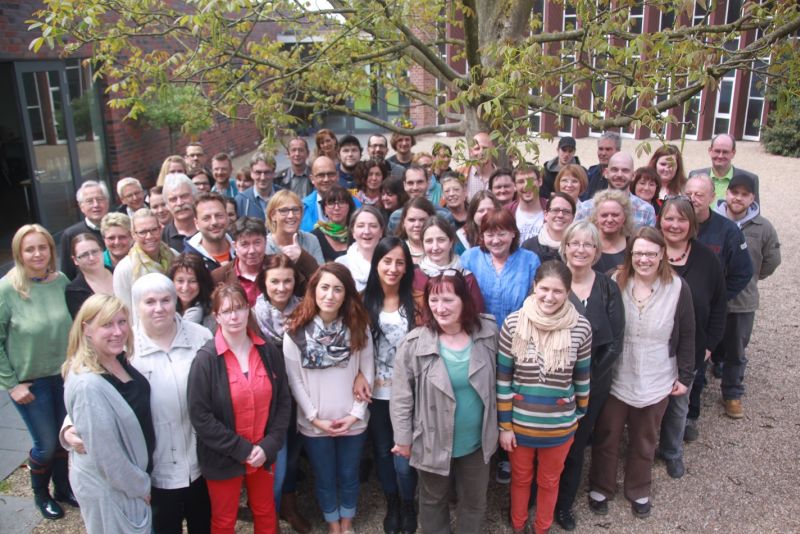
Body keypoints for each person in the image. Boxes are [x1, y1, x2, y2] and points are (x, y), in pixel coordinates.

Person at [589, 227, 695, 519]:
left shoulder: (678, 287)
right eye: (638, 253)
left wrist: (685, 376)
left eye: (651, 253)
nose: (644, 259)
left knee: (645, 439)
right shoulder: (614, 280)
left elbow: (688, 334)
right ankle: (601, 486)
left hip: (657, 375)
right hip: (617, 375)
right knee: (607, 435)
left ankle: (638, 489)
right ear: (630, 254)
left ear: (662, 255)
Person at [391, 270, 499, 534]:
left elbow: (503, 380)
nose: (440, 308)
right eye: (434, 300)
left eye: (448, 300)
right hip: (431, 439)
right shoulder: (413, 344)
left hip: (476, 441)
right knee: (432, 501)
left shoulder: (488, 333)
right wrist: (403, 439)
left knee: (474, 502)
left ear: (464, 300)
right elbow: (401, 397)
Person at [497, 260, 592, 534]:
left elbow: (582, 376)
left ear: (568, 292)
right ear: (534, 286)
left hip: (559, 426)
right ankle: (518, 526)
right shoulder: (513, 323)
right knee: (520, 479)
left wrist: (577, 413)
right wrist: (505, 425)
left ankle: (542, 528)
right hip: (519, 425)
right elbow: (503, 379)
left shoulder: (581, 327)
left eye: (558, 291)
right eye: (544, 289)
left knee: (550, 481)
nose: (550, 297)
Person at [188, 284, 291, 534]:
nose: (234, 317)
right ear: (216, 316)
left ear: (248, 310)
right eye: (226, 311)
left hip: (263, 453)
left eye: (239, 308)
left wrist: (268, 445)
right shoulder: (206, 359)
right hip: (223, 456)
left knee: (265, 510)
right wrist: (242, 449)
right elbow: (200, 416)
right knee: (224, 519)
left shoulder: (267, 351)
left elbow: (283, 401)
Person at [283, 263, 374, 534]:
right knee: (324, 478)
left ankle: (347, 522)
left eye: (338, 289)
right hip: (315, 423)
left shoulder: (358, 326)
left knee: (349, 474)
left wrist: (356, 414)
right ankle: (333, 523)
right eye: (324, 287)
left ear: (346, 294)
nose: (330, 295)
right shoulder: (295, 330)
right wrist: (314, 418)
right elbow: (295, 381)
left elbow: (367, 371)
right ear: (313, 290)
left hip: (352, 420)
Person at [551, 221, 624, 531]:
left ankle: (564, 504)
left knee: (576, 444)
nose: (580, 249)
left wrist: (585, 380)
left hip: (593, 382)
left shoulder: (607, 287)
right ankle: (540, 496)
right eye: (575, 243)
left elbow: (615, 341)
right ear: (565, 246)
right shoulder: (552, 281)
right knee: (547, 443)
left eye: (588, 244)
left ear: (596, 251)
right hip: (551, 382)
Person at [0, 225, 75, 519]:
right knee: (45, 444)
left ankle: (63, 488)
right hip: (31, 384)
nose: (37, 254)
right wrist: (11, 384)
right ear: (19, 253)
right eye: (29, 249)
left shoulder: (61, 281)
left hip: (64, 377)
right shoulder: (7, 289)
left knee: (63, 439)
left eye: (42, 247)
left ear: (51, 250)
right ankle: (41, 495)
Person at [62, 294, 154, 533]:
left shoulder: (116, 358)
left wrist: (69, 426)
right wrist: (140, 487)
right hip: (115, 489)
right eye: (107, 324)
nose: (118, 331)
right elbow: (108, 457)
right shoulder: (88, 384)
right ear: (86, 329)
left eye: (122, 322)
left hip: (129, 481)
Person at [129, 274, 214, 533]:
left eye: (166, 300)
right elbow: (97, 385)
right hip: (157, 465)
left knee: (203, 524)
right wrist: (70, 426)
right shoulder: (126, 347)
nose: (159, 308)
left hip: (200, 460)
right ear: (136, 306)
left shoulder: (201, 336)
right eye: (149, 302)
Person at [655, 197, 726, 479]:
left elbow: (719, 305)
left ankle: (671, 451)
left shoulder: (707, 260)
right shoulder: (648, 252)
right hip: (651, 346)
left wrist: (710, 345)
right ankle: (641, 451)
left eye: (681, 219)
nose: (674, 225)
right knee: (646, 404)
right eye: (669, 218)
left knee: (678, 404)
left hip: (690, 347)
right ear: (660, 220)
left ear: (692, 223)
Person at [684, 174, 753, 438]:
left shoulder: (727, 231)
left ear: (713, 197)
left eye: (699, 194)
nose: (693, 199)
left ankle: (690, 417)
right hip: (674, 309)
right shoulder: (673, 223)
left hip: (705, 313)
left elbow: (742, 271)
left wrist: (718, 299)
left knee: (698, 364)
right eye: (689, 193)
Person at [362, 238, 419, 534]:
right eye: (387, 261)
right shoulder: (363, 301)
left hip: (409, 394)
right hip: (377, 394)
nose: (393, 268)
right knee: (384, 451)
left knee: (404, 456)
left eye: (399, 262)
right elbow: (353, 346)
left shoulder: (418, 301)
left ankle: (409, 502)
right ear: (377, 264)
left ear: (407, 267)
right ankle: (392, 501)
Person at [714, 174, 781, 418]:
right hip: (711, 298)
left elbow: (772, 259)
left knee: (737, 348)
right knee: (705, 344)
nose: (738, 198)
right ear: (726, 194)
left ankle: (732, 392)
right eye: (734, 193)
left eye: (744, 194)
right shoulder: (712, 221)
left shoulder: (763, 228)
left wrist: (751, 278)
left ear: (752, 198)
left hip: (742, 301)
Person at [252, 255, 310, 533]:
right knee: (275, 459)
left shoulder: (306, 310)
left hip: (300, 394)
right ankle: (269, 515)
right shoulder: (253, 316)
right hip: (269, 401)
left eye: (287, 281)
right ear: (264, 283)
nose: (281, 287)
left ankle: (289, 505)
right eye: (274, 281)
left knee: (294, 454)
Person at [461, 208, 541, 329]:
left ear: (513, 233)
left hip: (518, 332)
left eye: (501, 234)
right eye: (490, 235)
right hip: (478, 332)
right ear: (482, 236)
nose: (496, 240)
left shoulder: (530, 260)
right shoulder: (470, 258)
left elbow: (536, 301)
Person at [212, 217, 315, 307]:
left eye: (257, 243)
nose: (252, 251)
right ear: (235, 246)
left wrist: (302, 257)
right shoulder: (219, 277)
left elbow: (315, 284)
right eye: (245, 244)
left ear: (265, 242)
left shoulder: (281, 266)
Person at [414, 216, 485, 316]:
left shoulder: (466, 277)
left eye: (441, 240)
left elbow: (478, 316)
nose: (435, 247)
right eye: (429, 241)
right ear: (422, 244)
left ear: (451, 242)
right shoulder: (414, 277)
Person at [113, 208, 176, 313]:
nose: (149, 236)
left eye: (154, 230)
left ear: (160, 229)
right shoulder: (125, 268)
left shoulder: (174, 256)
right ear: (133, 234)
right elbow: (125, 311)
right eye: (142, 232)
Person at [575, 152, 656, 228]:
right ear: (606, 173)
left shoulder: (646, 211)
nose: (619, 175)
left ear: (633, 176)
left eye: (625, 170)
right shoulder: (586, 208)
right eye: (614, 170)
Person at [689, 133, 760, 204]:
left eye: (725, 152)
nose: (720, 156)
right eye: (717, 151)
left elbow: (755, 209)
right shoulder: (694, 176)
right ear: (710, 151)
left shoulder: (750, 179)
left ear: (733, 153)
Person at [59, 180, 110, 280]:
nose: (96, 205)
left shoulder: (121, 228)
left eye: (100, 199)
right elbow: (68, 273)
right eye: (89, 201)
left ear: (107, 202)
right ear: (81, 206)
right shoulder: (71, 235)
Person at [301, 156, 362, 232]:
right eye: (321, 175)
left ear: (337, 176)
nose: (326, 179)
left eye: (330, 174)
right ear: (312, 179)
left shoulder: (355, 204)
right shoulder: (303, 207)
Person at [266, 190, 325, 265]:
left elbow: (322, 272)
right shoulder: (265, 246)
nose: (291, 215)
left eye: (295, 210)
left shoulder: (311, 240)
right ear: (273, 215)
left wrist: (302, 257)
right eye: (284, 210)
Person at [336, 205, 386, 291]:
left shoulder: (391, 264)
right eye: (361, 226)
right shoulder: (341, 265)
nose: (366, 231)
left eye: (373, 226)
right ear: (353, 232)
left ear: (381, 231)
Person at [66, 233, 114, 318]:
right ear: (75, 260)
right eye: (84, 255)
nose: (92, 258)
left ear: (102, 250)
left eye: (94, 251)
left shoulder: (119, 273)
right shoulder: (75, 291)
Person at [184, 192, 234, 272]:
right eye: (206, 218)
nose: (214, 222)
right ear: (196, 224)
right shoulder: (188, 262)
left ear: (227, 218)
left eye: (219, 216)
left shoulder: (244, 249)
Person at [521, 192, 576, 264]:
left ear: (573, 218)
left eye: (566, 211)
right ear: (545, 215)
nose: (560, 215)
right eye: (555, 210)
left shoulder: (578, 249)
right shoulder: (529, 247)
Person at [169, 252, 217, 332]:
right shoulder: (165, 307)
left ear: (202, 283)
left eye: (192, 281)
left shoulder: (212, 311)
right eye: (180, 281)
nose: (185, 288)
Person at [589, 189, 634, 274]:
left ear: (624, 217)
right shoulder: (585, 244)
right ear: (596, 217)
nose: (609, 220)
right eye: (604, 215)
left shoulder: (633, 246)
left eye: (615, 215)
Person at [313, 184, 357, 262]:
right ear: (324, 209)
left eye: (342, 202)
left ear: (349, 207)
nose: (336, 208)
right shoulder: (314, 237)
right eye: (331, 203)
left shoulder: (358, 234)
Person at [234, 153, 280, 219]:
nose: (263, 178)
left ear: (274, 173)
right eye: (258, 172)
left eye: (267, 172)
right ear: (251, 173)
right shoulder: (241, 201)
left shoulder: (285, 196)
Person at [507, 165, 546, 243]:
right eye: (521, 182)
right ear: (514, 186)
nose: (527, 186)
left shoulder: (553, 209)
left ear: (540, 182)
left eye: (531, 180)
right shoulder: (506, 212)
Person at [161, 173, 199, 252]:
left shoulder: (209, 229)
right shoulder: (162, 238)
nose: (179, 203)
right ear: (167, 205)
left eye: (184, 196)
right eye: (173, 199)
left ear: (195, 197)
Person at [395, 197, 436, 264]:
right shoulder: (395, 251)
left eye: (422, 220)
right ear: (403, 222)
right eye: (411, 220)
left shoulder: (442, 250)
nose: (417, 225)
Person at [585, 132, 621, 200]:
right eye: (600, 149)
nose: (603, 153)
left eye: (608, 149)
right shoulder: (591, 173)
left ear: (618, 151)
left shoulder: (622, 177)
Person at [461, 132, 497, 200]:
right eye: (477, 148)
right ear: (471, 152)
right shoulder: (461, 174)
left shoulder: (503, 176)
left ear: (493, 150)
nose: (481, 152)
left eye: (485, 148)